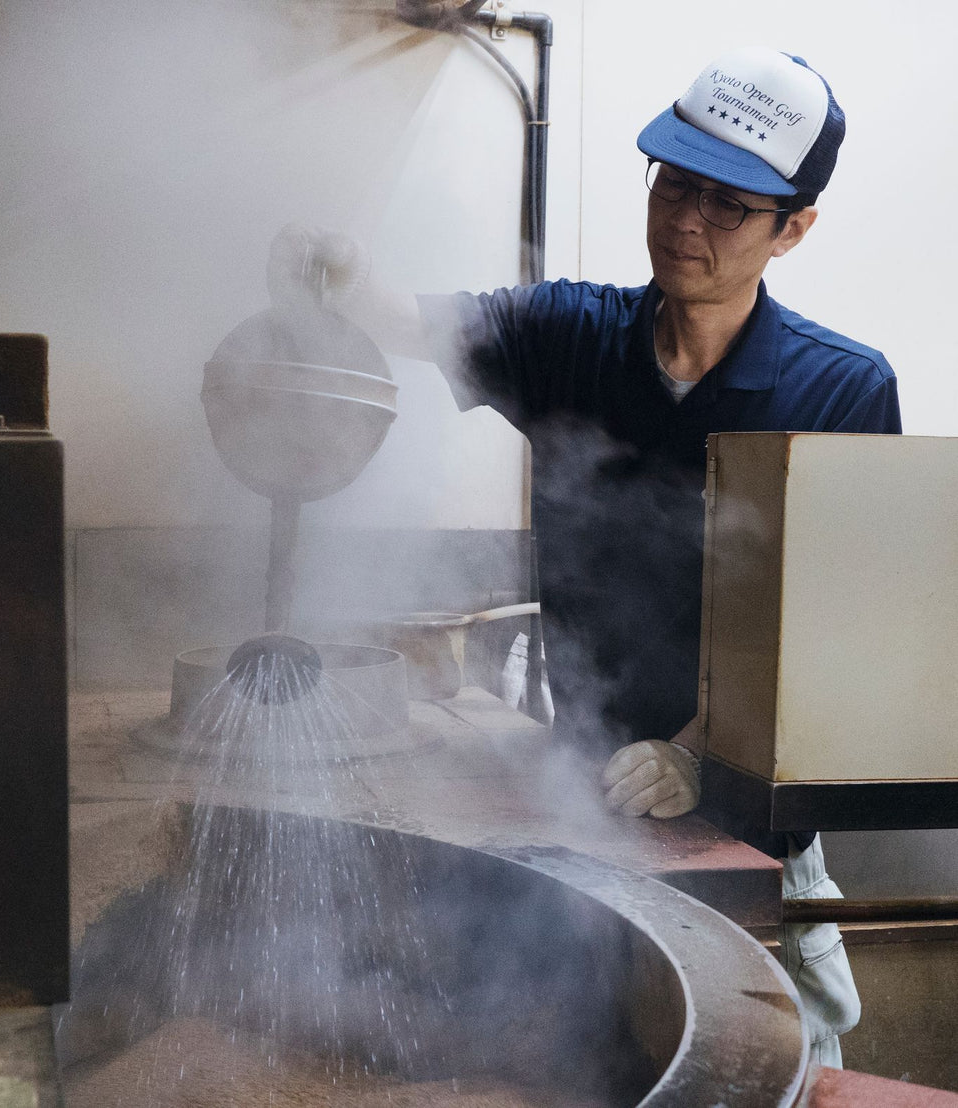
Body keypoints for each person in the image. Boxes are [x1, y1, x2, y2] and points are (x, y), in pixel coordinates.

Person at [269, 46, 898, 1068]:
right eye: (674, 183)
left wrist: (698, 750)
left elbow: (835, 631)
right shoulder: (570, 334)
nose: (686, 219)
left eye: (727, 206)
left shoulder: (840, 392)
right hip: (583, 808)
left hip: (748, 836)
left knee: (769, 1067)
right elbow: (402, 320)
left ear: (794, 228)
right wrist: (337, 272)